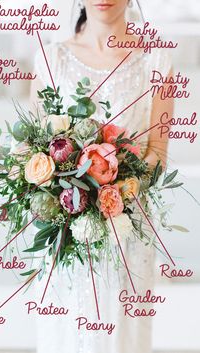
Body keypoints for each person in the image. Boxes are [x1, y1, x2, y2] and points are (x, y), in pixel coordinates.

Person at [30, 1, 173, 352]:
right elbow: (31, 149)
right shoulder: (51, 59)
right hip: (65, 230)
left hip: (128, 228)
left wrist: (117, 188)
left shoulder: (157, 62)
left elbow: (158, 154)